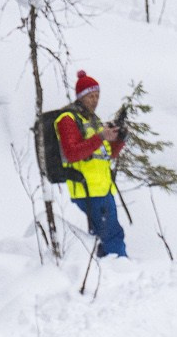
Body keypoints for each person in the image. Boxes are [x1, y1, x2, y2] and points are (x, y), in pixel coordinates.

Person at [54, 71, 128, 258]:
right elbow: (72, 153)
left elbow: (105, 155)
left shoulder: (92, 121)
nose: (95, 100)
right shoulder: (67, 120)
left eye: (97, 96)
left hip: (102, 188)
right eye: (90, 96)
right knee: (112, 235)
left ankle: (104, 272)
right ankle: (122, 270)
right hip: (88, 189)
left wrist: (119, 140)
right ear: (80, 96)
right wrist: (101, 136)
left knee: (103, 236)